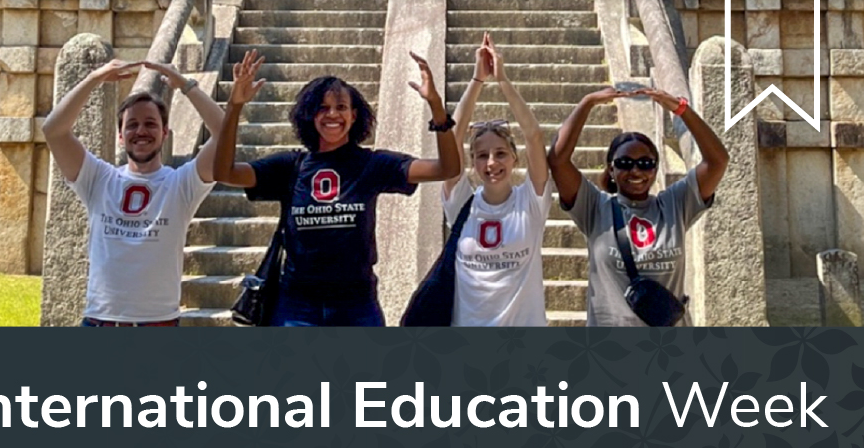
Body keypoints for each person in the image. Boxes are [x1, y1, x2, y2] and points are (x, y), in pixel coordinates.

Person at [212, 49, 462, 326]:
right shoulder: (290, 166)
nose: (332, 114)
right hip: (296, 306)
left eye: (341, 107)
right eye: (322, 107)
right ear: (309, 115)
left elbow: (447, 169)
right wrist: (234, 106)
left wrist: (437, 107)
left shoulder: (372, 164)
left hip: (357, 305)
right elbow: (225, 173)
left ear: (354, 115)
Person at [41, 60, 227, 326]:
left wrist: (186, 85)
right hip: (101, 321)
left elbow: (224, 132)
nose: (141, 131)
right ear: (120, 136)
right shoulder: (98, 179)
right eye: (132, 125)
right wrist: (95, 78)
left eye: (150, 124)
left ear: (165, 133)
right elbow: (53, 130)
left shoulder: (182, 184)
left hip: (159, 323)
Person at [547, 85, 729, 326]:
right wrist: (587, 103)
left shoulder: (675, 204)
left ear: (655, 169)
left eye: (645, 163)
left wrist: (680, 108)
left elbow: (718, 161)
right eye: (624, 163)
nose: (635, 171)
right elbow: (558, 160)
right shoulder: (594, 207)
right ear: (611, 169)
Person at [441, 33, 552, 326]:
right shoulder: (462, 203)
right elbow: (452, 139)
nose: (492, 163)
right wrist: (477, 81)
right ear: (472, 162)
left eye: (501, 153)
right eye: (482, 156)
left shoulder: (530, 202)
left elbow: (534, 136)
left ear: (515, 158)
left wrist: (502, 80)